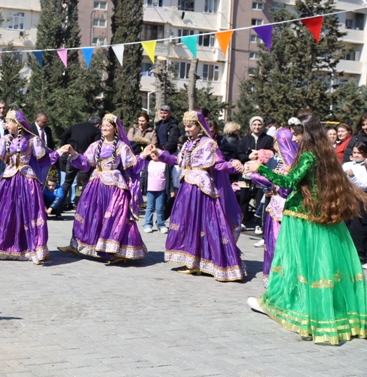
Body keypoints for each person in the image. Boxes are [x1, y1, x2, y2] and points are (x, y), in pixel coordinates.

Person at [246, 113, 367, 344]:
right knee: (317, 262)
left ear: (307, 133)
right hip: (315, 213)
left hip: (301, 216)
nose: (293, 137)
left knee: (299, 262)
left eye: (296, 132)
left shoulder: (308, 156)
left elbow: (289, 182)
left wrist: (259, 168)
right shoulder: (323, 153)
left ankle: (295, 307)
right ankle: (323, 309)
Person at [143, 111, 245, 281]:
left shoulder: (209, 144)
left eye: (190, 126)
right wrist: (160, 154)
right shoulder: (188, 144)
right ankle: (192, 260)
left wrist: (233, 166)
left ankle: (206, 261)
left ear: (199, 126)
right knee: (188, 223)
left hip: (201, 191)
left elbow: (219, 164)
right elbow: (178, 161)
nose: (187, 129)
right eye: (186, 126)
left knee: (204, 225)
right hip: (186, 189)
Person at [0, 111, 58, 262]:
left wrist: (59, 153)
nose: (6, 125)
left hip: (27, 181)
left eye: (8, 122)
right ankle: (2, 244)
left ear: (16, 124)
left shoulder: (33, 140)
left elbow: (43, 160)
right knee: (4, 212)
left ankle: (33, 247)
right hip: (9, 180)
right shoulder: (5, 139)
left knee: (30, 213)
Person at [59, 114, 147, 263]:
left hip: (114, 188)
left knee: (114, 218)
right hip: (96, 184)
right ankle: (77, 244)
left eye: (108, 125)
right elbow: (85, 163)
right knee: (86, 212)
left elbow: (132, 166)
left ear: (115, 129)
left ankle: (118, 251)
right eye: (103, 125)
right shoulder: (95, 146)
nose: (104, 128)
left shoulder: (121, 147)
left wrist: (143, 155)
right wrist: (73, 153)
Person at [247, 128, 298, 285]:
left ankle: (282, 280)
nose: (274, 144)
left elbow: (286, 187)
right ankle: (272, 278)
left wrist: (256, 175)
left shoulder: (291, 163)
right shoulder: (276, 160)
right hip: (273, 206)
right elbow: (273, 183)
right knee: (270, 244)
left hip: (285, 210)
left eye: (276, 141)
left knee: (280, 244)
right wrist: (265, 185)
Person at [59, 115, 101, 208]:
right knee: (86, 183)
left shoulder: (75, 126)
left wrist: (66, 147)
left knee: (67, 182)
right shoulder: (96, 131)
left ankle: (58, 207)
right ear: (98, 125)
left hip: (72, 156)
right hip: (85, 160)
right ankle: (83, 207)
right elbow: (97, 146)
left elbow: (63, 136)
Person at [343, 142, 367, 268]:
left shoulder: (365, 168)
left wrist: (352, 177)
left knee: (357, 227)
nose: (357, 155)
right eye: (355, 153)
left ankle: (359, 255)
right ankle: (346, 252)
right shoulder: (347, 164)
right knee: (345, 224)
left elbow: (364, 184)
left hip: (361, 198)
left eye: (360, 153)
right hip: (346, 197)